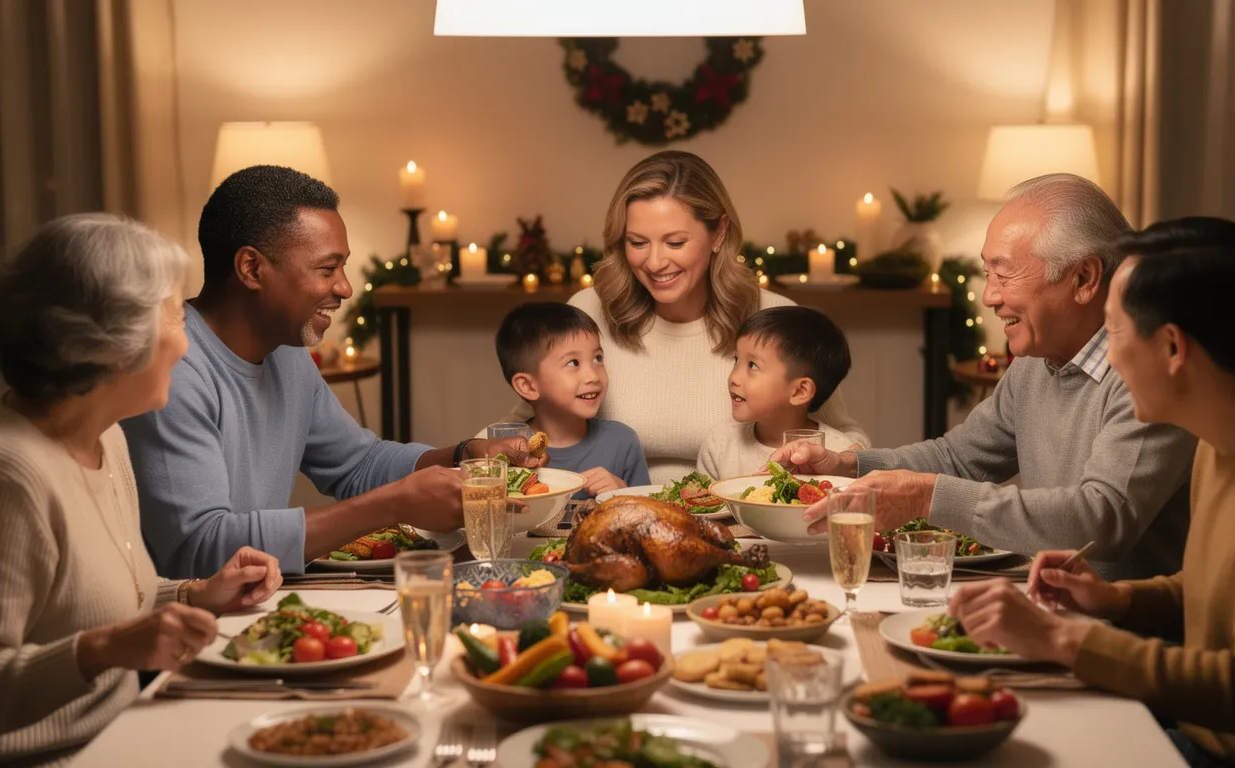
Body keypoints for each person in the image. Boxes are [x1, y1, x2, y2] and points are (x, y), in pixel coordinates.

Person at [947, 217, 1235, 768]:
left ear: (1173, 347)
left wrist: (1063, 640)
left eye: (1116, 334)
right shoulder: (1228, 437)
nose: (1110, 360)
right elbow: (1219, 589)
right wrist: (1121, 600)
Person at [121, 166, 543, 579]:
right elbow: (198, 548)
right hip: (186, 628)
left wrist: (461, 455)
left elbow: (357, 464)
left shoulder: (286, 354)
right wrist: (393, 505)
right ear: (251, 268)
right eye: (327, 269)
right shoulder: (171, 372)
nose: (345, 288)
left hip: (257, 602)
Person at [774, 174, 1196, 580]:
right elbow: (958, 460)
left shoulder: (1152, 372)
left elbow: (1103, 518)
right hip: (1045, 609)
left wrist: (927, 496)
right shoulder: (1034, 364)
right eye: (986, 273)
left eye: (1004, 273)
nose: (989, 296)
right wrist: (847, 466)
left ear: (1083, 278)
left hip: (1122, 635)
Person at [0, 214, 282, 766]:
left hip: (129, 735)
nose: (186, 346)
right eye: (173, 317)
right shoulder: (7, 473)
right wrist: (103, 651)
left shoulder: (107, 437)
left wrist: (194, 594)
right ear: (112, 344)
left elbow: (91, 607)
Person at [512, 150, 868, 484]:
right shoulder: (587, 312)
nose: (654, 263)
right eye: (637, 242)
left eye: (675, 243)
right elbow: (525, 424)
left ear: (719, 232)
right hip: (606, 519)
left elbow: (846, 440)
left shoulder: (778, 320)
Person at [490, 302, 649, 499]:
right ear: (528, 386)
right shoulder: (506, 449)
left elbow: (649, 518)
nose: (592, 376)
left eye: (598, 358)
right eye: (573, 363)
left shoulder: (622, 441)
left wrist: (624, 495)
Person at [697, 306, 860, 480]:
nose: (733, 377)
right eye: (736, 360)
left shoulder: (841, 458)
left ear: (799, 391)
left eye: (752, 365)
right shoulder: (720, 443)